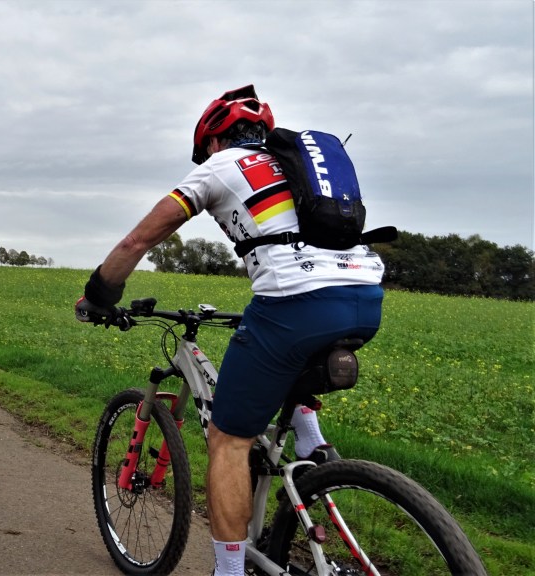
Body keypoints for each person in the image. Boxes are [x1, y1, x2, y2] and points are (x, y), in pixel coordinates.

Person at [75, 85, 384, 576]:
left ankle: (229, 571)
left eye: (205, 150)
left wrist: (99, 294)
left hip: (295, 305)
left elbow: (138, 240)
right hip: (365, 297)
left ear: (214, 141)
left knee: (228, 439)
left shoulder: (220, 166)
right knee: (288, 361)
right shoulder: (296, 168)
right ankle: (312, 444)